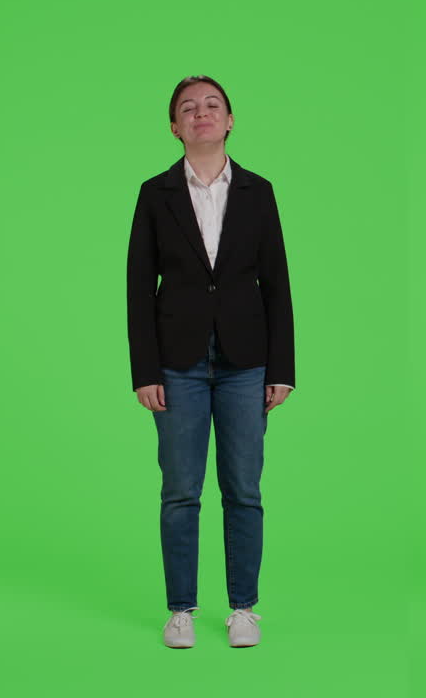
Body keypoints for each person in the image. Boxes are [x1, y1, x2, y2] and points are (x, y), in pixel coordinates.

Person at [127, 75, 295, 649]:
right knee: (180, 488)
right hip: (176, 361)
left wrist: (282, 368)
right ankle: (181, 608)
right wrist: (145, 371)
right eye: (187, 109)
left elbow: (277, 283)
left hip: (248, 360)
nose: (201, 114)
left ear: (229, 120)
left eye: (212, 106)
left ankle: (243, 607)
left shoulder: (258, 191)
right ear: (174, 127)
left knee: (244, 486)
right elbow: (136, 287)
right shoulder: (155, 194)